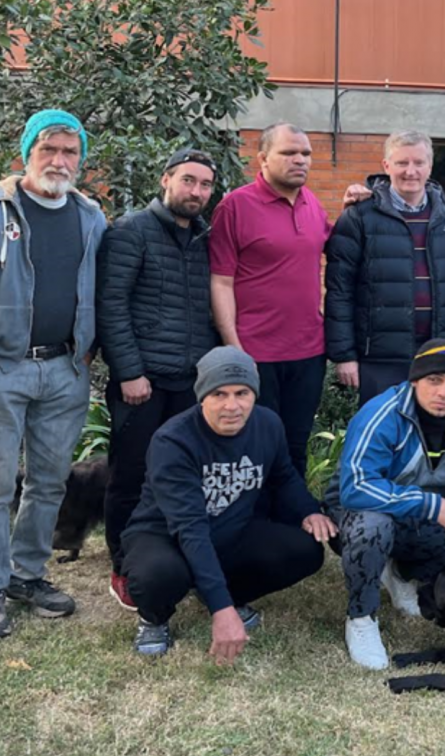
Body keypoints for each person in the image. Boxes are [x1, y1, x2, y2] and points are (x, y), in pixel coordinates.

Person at [120, 346, 334, 660]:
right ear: (201, 396)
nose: (232, 405)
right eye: (219, 394)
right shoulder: (173, 441)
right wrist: (222, 612)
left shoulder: (268, 424)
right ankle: (154, 618)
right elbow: (190, 528)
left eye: (242, 393)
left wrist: (308, 510)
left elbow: (284, 476)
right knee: (157, 575)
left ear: (254, 394)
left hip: (229, 531)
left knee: (305, 550)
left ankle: (227, 594)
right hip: (165, 535)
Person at [327, 338, 445, 670]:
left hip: (416, 516)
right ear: (415, 380)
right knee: (374, 527)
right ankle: (361, 616)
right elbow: (356, 487)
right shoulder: (383, 413)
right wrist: (433, 506)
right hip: (355, 514)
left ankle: (400, 572)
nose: (444, 392)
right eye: (434, 380)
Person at [97, 147, 220, 610]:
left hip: (190, 382)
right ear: (166, 180)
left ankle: (169, 558)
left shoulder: (205, 237)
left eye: (205, 185)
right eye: (188, 181)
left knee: (181, 474)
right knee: (130, 475)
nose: (197, 192)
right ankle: (123, 566)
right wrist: (130, 372)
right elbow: (111, 305)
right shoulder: (131, 231)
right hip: (143, 381)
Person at [0, 110, 106, 637]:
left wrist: (86, 352)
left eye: (70, 152)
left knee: (47, 482)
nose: (60, 161)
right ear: (27, 153)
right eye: (49, 149)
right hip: (5, 367)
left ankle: (27, 575)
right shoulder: (1, 207)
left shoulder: (90, 215)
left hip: (65, 367)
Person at [209, 122, 331, 478]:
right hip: (255, 353)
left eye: (305, 153)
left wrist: (360, 200)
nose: (300, 160)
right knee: (253, 447)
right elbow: (220, 281)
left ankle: (289, 523)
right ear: (262, 158)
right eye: (289, 153)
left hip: (309, 352)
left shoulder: (313, 204)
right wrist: (234, 348)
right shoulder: (235, 206)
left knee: (295, 445)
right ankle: (250, 524)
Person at [325, 131, 445, 406]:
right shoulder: (359, 216)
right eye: (401, 163)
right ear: (386, 166)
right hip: (380, 358)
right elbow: (339, 290)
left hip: (439, 352)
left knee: (432, 440)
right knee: (384, 436)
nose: (411, 171)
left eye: (419, 163)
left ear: (429, 167)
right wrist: (344, 355)